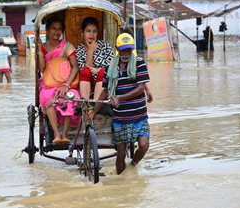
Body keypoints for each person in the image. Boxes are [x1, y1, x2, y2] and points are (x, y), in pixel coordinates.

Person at [92, 33, 153, 174]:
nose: (126, 53)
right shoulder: (110, 68)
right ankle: (120, 180)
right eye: (123, 50)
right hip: (121, 118)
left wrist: (121, 98)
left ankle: (133, 165)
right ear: (117, 48)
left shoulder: (139, 63)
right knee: (120, 152)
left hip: (140, 115)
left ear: (132, 49)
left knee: (144, 145)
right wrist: (94, 110)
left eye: (128, 50)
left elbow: (141, 87)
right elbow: (105, 91)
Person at [36, 16, 80, 144]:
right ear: (48, 31)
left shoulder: (67, 46)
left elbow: (75, 67)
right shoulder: (43, 48)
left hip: (66, 83)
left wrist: (67, 85)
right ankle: (56, 134)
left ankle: (65, 134)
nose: (57, 32)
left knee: (71, 98)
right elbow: (41, 68)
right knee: (48, 98)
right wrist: (39, 49)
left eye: (59, 29)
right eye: (54, 29)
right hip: (48, 85)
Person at [75, 17, 115, 100]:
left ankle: (95, 105)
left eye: (94, 31)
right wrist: (90, 51)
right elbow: (84, 71)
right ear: (82, 32)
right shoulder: (78, 50)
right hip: (86, 86)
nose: (91, 34)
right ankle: (85, 105)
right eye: (88, 31)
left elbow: (113, 65)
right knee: (85, 71)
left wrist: (100, 69)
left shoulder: (104, 45)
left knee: (103, 72)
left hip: (104, 86)